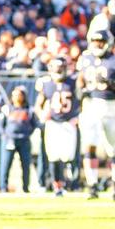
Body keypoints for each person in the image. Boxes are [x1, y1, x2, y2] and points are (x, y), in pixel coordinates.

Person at [76, 28, 115, 200]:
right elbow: (81, 78)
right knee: (89, 144)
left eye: (100, 41)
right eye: (94, 41)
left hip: (112, 105)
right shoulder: (86, 58)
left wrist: (113, 83)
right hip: (91, 104)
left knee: (113, 148)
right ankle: (92, 185)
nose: (97, 44)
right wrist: (80, 89)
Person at [35, 57, 79, 197]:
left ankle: (72, 182)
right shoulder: (46, 84)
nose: (59, 71)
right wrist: (42, 114)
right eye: (57, 68)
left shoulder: (72, 83)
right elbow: (38, 104)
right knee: (53, 156)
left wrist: (77, 117)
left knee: (68, 155)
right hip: (53, 123)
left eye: (61, 68)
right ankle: (57, 186)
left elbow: (81, 101)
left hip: (68, 123)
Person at [0, 88, 39, 192]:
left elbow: (34, 124)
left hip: (24, 140)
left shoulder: (29, 110)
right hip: (9, 140)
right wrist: (5, 135)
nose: (17, 97)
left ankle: (25, 187)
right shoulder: (7, 109)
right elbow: (0, 125)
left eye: (19, 95)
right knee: (5, 164)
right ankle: (3, 187)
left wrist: (27, 134)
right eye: (15, 95)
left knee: (26, 165)